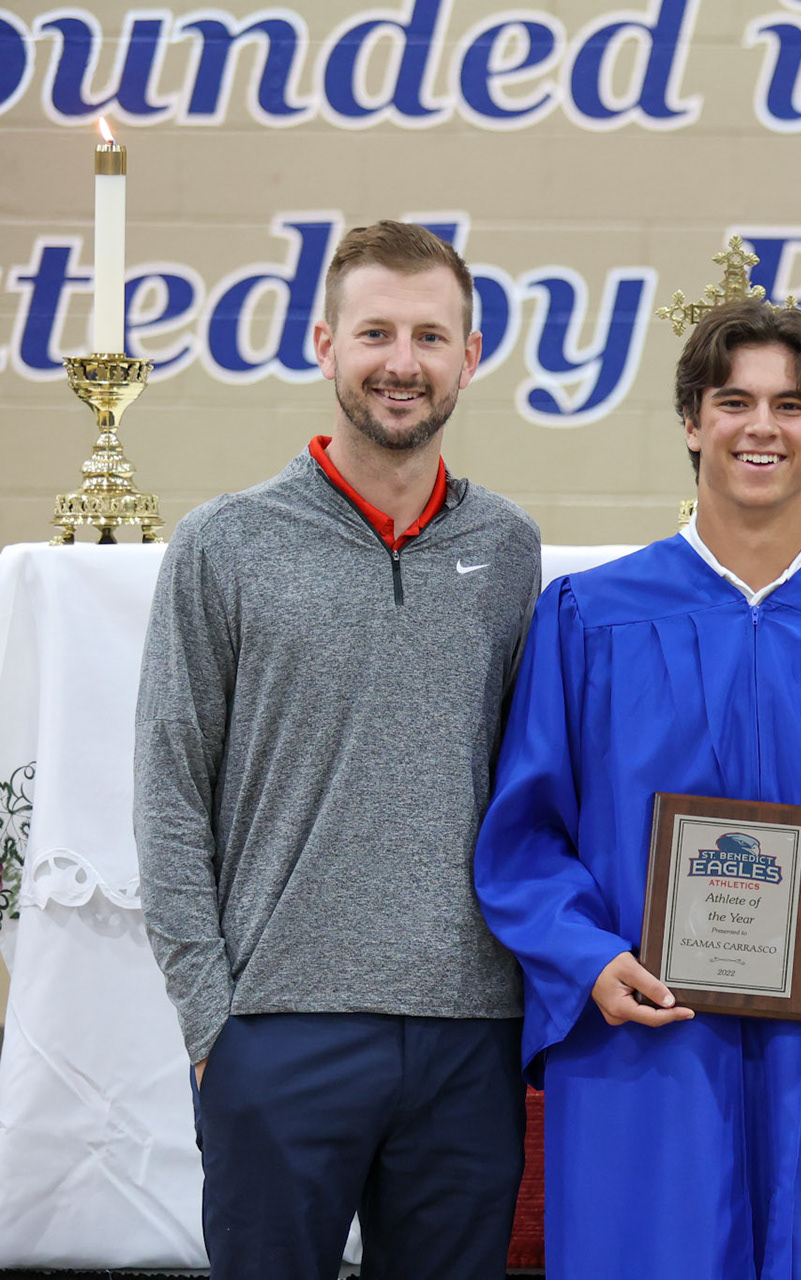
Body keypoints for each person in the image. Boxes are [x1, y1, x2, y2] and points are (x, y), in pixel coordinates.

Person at [472, 299, 801, 1278]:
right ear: (692, 421)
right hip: (644, 1039)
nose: (761, 426)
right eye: (735, 401)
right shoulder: (591, 617)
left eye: (791, 404)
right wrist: (589, 957)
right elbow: (522, 836)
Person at [132, 220, 542, 1278]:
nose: (401, 362)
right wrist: (211, 1021)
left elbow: (528, 783)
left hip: (467, 1030)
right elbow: (171, 786)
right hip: (277, 1028)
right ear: (324, 344)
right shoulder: (224, 542)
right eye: (374, 333)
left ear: (470, 355)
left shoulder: (507, 549)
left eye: (429, 335)